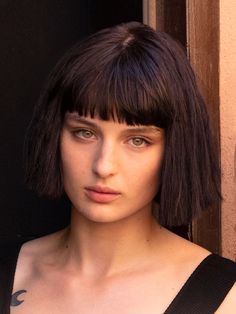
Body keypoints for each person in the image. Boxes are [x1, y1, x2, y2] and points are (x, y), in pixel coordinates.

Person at [1, 21, 235, 314]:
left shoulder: (225, 298)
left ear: (176, 149)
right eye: (85, 133)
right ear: (55, 135)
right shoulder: (9, 272)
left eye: (137, 140)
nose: (104, 165)